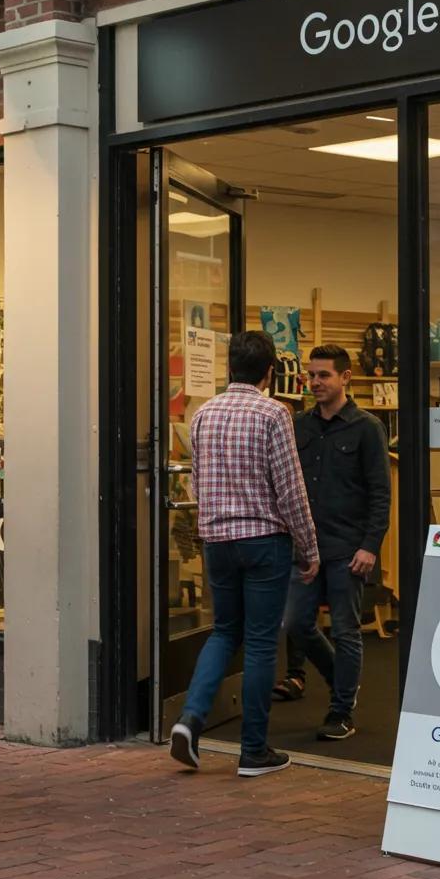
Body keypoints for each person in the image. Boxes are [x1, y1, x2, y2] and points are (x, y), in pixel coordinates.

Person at [170, 331, 319, 778]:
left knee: (222, 633)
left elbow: (196, 483)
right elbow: (290, 489)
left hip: (217, 542)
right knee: (258, 642)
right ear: (271, 372)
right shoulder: (275, 414)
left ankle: (190, 720)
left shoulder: (203, 414)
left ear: (230, 367)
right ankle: (253, 750)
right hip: (263, 541)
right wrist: (309, 547)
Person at [274, 345, 390, 741]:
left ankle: (341, 711)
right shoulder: (299, 426)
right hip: (305, 547)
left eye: (324, 375)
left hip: (348, 549)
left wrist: (370, 545)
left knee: (345, 630)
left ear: (345, 378)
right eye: (311, 375)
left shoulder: (367, 427)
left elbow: (380, 493)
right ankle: (342, 679)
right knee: (297, 623)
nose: (315, 382)